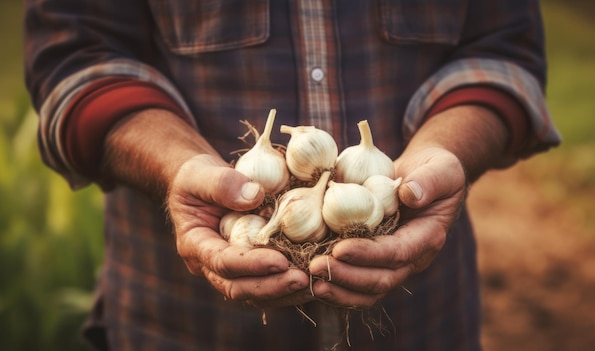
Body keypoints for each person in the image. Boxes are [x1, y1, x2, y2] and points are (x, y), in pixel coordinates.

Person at [24, 0, 560, 350]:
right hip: (179, 327)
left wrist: (445, 151)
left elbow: (504, 52)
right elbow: (73, 59)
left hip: (423, 325)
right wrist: (178, 167)